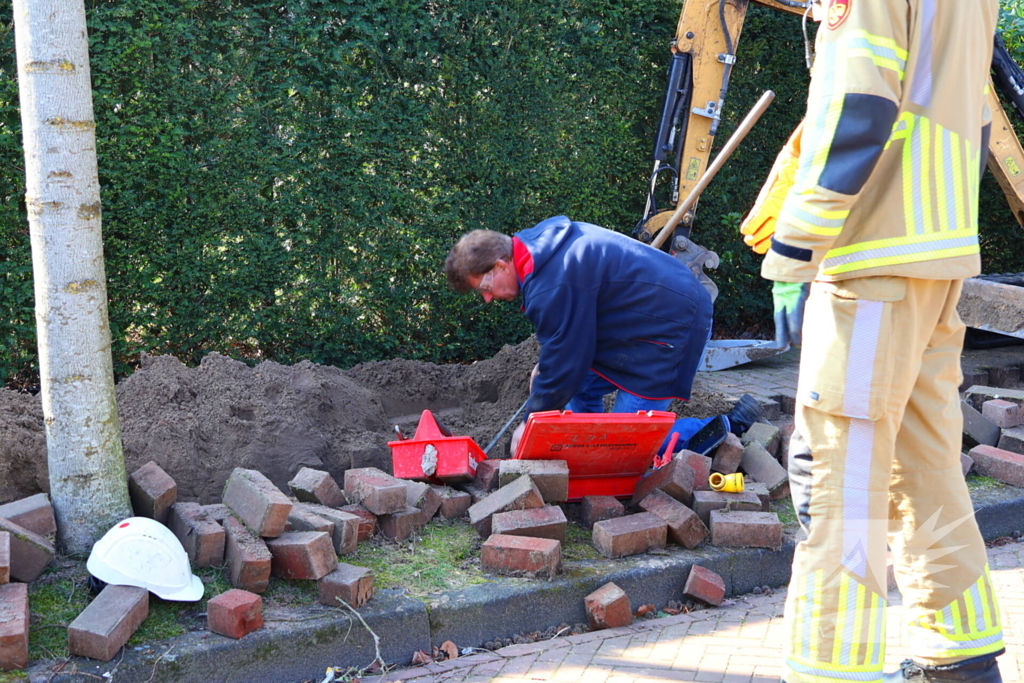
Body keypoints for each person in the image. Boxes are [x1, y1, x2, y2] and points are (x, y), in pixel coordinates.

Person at [739, 1, 1004, 681]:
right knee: (926, 466)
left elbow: (858, 109)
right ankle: (962, 654)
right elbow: (972, 118)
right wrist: (947, 231)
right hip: (938, 257)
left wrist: (794, 251)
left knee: (838, 476)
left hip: (872, 265)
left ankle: (831, 668)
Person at [444, 215, 761, 456]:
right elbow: (570, 345)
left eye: (484, 288)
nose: (487, 298)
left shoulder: (551, 282)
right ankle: (585, 447)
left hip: (671, 328)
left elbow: (566, 360)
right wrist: (550, 373)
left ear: (500, 265)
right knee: (580, 387)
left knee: (626, 444)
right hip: (645, 323)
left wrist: (530, 422)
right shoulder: (538, 246)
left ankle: (725, 427)